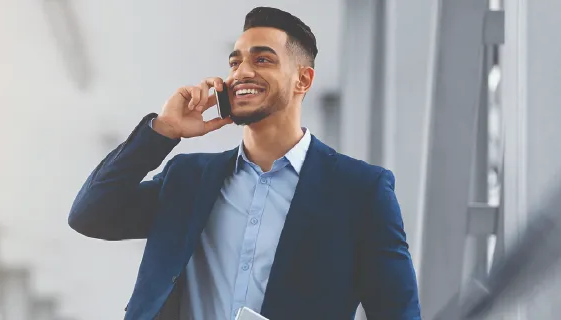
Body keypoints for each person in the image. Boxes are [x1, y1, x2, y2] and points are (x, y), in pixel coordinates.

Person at [68, 6, 421, 320]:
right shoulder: (188, 179)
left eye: (262, 60)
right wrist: (163, 131)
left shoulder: (360, 190)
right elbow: (91, 214)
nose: (241, 73)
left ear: (303, 79)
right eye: (235, 62)